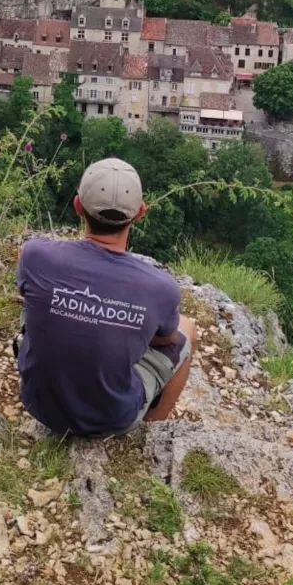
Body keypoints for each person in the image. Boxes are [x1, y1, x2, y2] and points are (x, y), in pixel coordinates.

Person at [15, 157, 195, 437]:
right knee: (188, 329)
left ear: (78, 206)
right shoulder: (160, 287)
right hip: (109, 420)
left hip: (39, 406)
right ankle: (151, 429)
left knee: (37, 299)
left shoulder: (35, 255)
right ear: (140, 213)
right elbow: (165, 342)